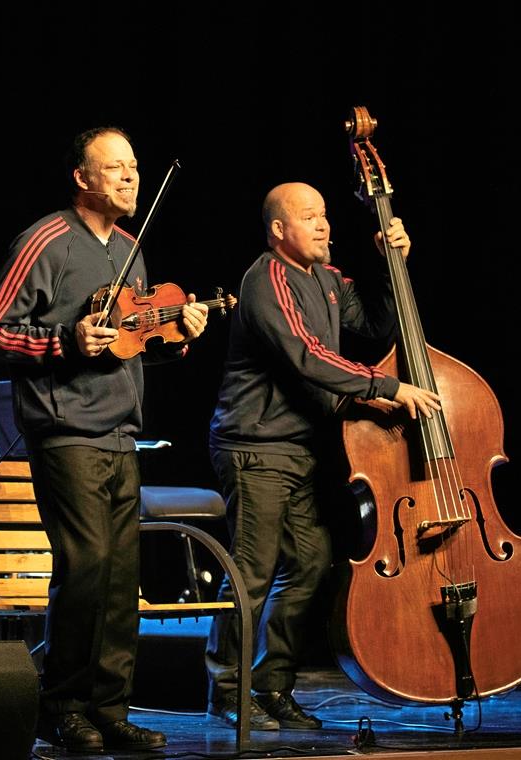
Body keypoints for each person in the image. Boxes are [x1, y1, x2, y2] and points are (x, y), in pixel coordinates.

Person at [0, 127, 208, 753]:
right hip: (67, 433)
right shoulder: (47, 240)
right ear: (83, 178)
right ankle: (63, 705)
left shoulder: (131, 249)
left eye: (134, 166)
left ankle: (109, 707)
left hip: (119, 434)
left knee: (119, 577)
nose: (131, 178)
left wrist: (178, 336)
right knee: (85, 570)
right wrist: (62, 342)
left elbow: (129, 347)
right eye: (115, 169)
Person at [204, 182, 440, 730]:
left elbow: (379, 327)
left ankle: (272, 685)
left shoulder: (329, 280)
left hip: (301, 450)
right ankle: (226, 690)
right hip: (255, 448)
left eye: (326, 215)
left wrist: (393, 264)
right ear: (279, 230)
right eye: (309, 217)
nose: (323, 225)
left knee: (309, 565)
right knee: (252, 570)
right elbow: (309, 356)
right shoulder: (267, 278)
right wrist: (387, 388)